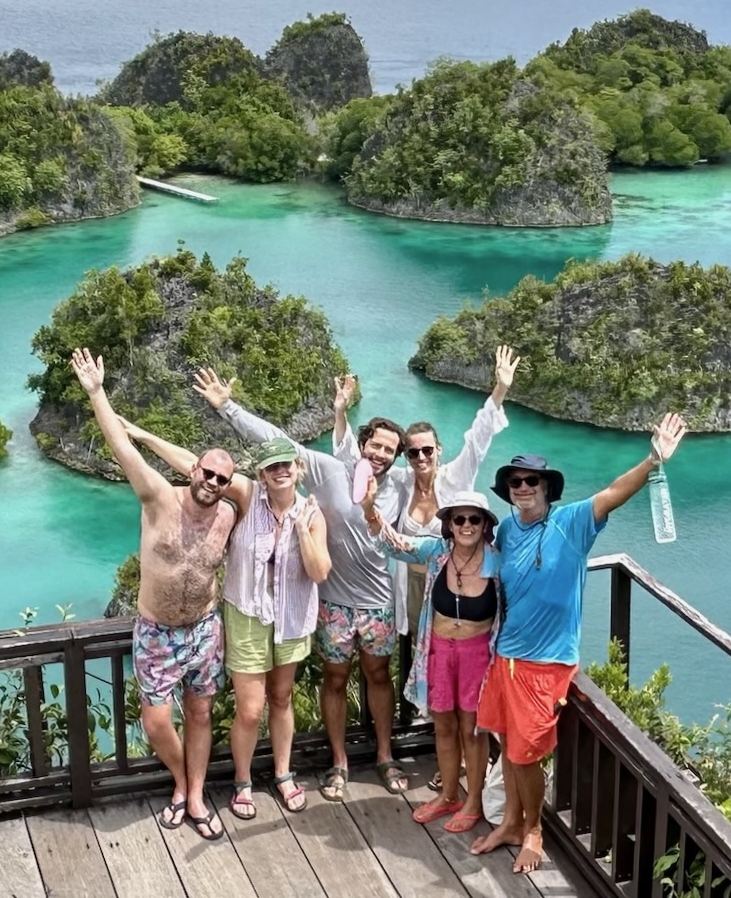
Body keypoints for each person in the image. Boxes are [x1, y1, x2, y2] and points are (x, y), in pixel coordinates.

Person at [472, 414, 689, 874]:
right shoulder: (507, 531)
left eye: (530, 481)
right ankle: (510, 822)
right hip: (505, 656)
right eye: (514, 482)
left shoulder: (571, 522)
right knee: (508, 744)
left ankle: (534, 829)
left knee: (525, 754)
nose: (522, 487)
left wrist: (653, 460)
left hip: (546, 663)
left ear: (547, 487)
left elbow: (613, 493)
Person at [197, 367, 409, 800]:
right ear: (362, 444)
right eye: (376, 445)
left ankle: (385, 756)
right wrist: (227, 407)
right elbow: (277, 442)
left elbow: (429, 507)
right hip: (332, 600)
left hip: (378, 600)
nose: (381, 454)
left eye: (390, 450)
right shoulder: (329, 470)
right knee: (334, 679)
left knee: (379, 676)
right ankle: (338, 762)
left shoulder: (400, 489)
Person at [122, 419, 332, 822]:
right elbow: (200, 469)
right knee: (250, 710)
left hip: (290, 618)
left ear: (298, 468)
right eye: (271, 467)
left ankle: (284, 773)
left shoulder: (311, 514)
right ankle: (242, 781)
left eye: (286, 464)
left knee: (282, 698)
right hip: (248, 615)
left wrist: (302, 531)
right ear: (262, 474)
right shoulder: (249, 497)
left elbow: (320, 571)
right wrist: (144, 436)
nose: (280, 471)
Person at [69, 347, 238, 841]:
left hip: (205, 629)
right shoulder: (159, 497)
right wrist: (97, 393)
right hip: (157, 632)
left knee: (201, 712)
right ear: (193, 470)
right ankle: (183, 781)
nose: (212, 482)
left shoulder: (229, 514)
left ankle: (194, 795)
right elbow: (123, 449)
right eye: (206, 473)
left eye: (222, 479)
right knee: (157, 721)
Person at [332, 345, 519, 632]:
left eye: (427, 450)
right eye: (413, 452)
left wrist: (500, 389)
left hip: (452, 579)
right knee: (413, 640)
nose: (421, 457)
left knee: (447, 639)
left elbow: (478, 439)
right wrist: (340, 413)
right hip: (410, 581)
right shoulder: (401, 480)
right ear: (406, 456)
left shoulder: (456, 477)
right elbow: (357, 464)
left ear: (438, 450)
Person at [361, 484, 501, 834]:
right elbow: (392, 544)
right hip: (438, 651)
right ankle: (449, 795)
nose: (466, 525)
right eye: (459, 519)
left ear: (485, 524)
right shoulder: (437, 552)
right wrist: (369, 509)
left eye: (474, 519)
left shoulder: (498, 562)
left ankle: (473, 801)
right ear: (449, 524)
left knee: (472, 729)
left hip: (478, 657)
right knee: (443, 726)